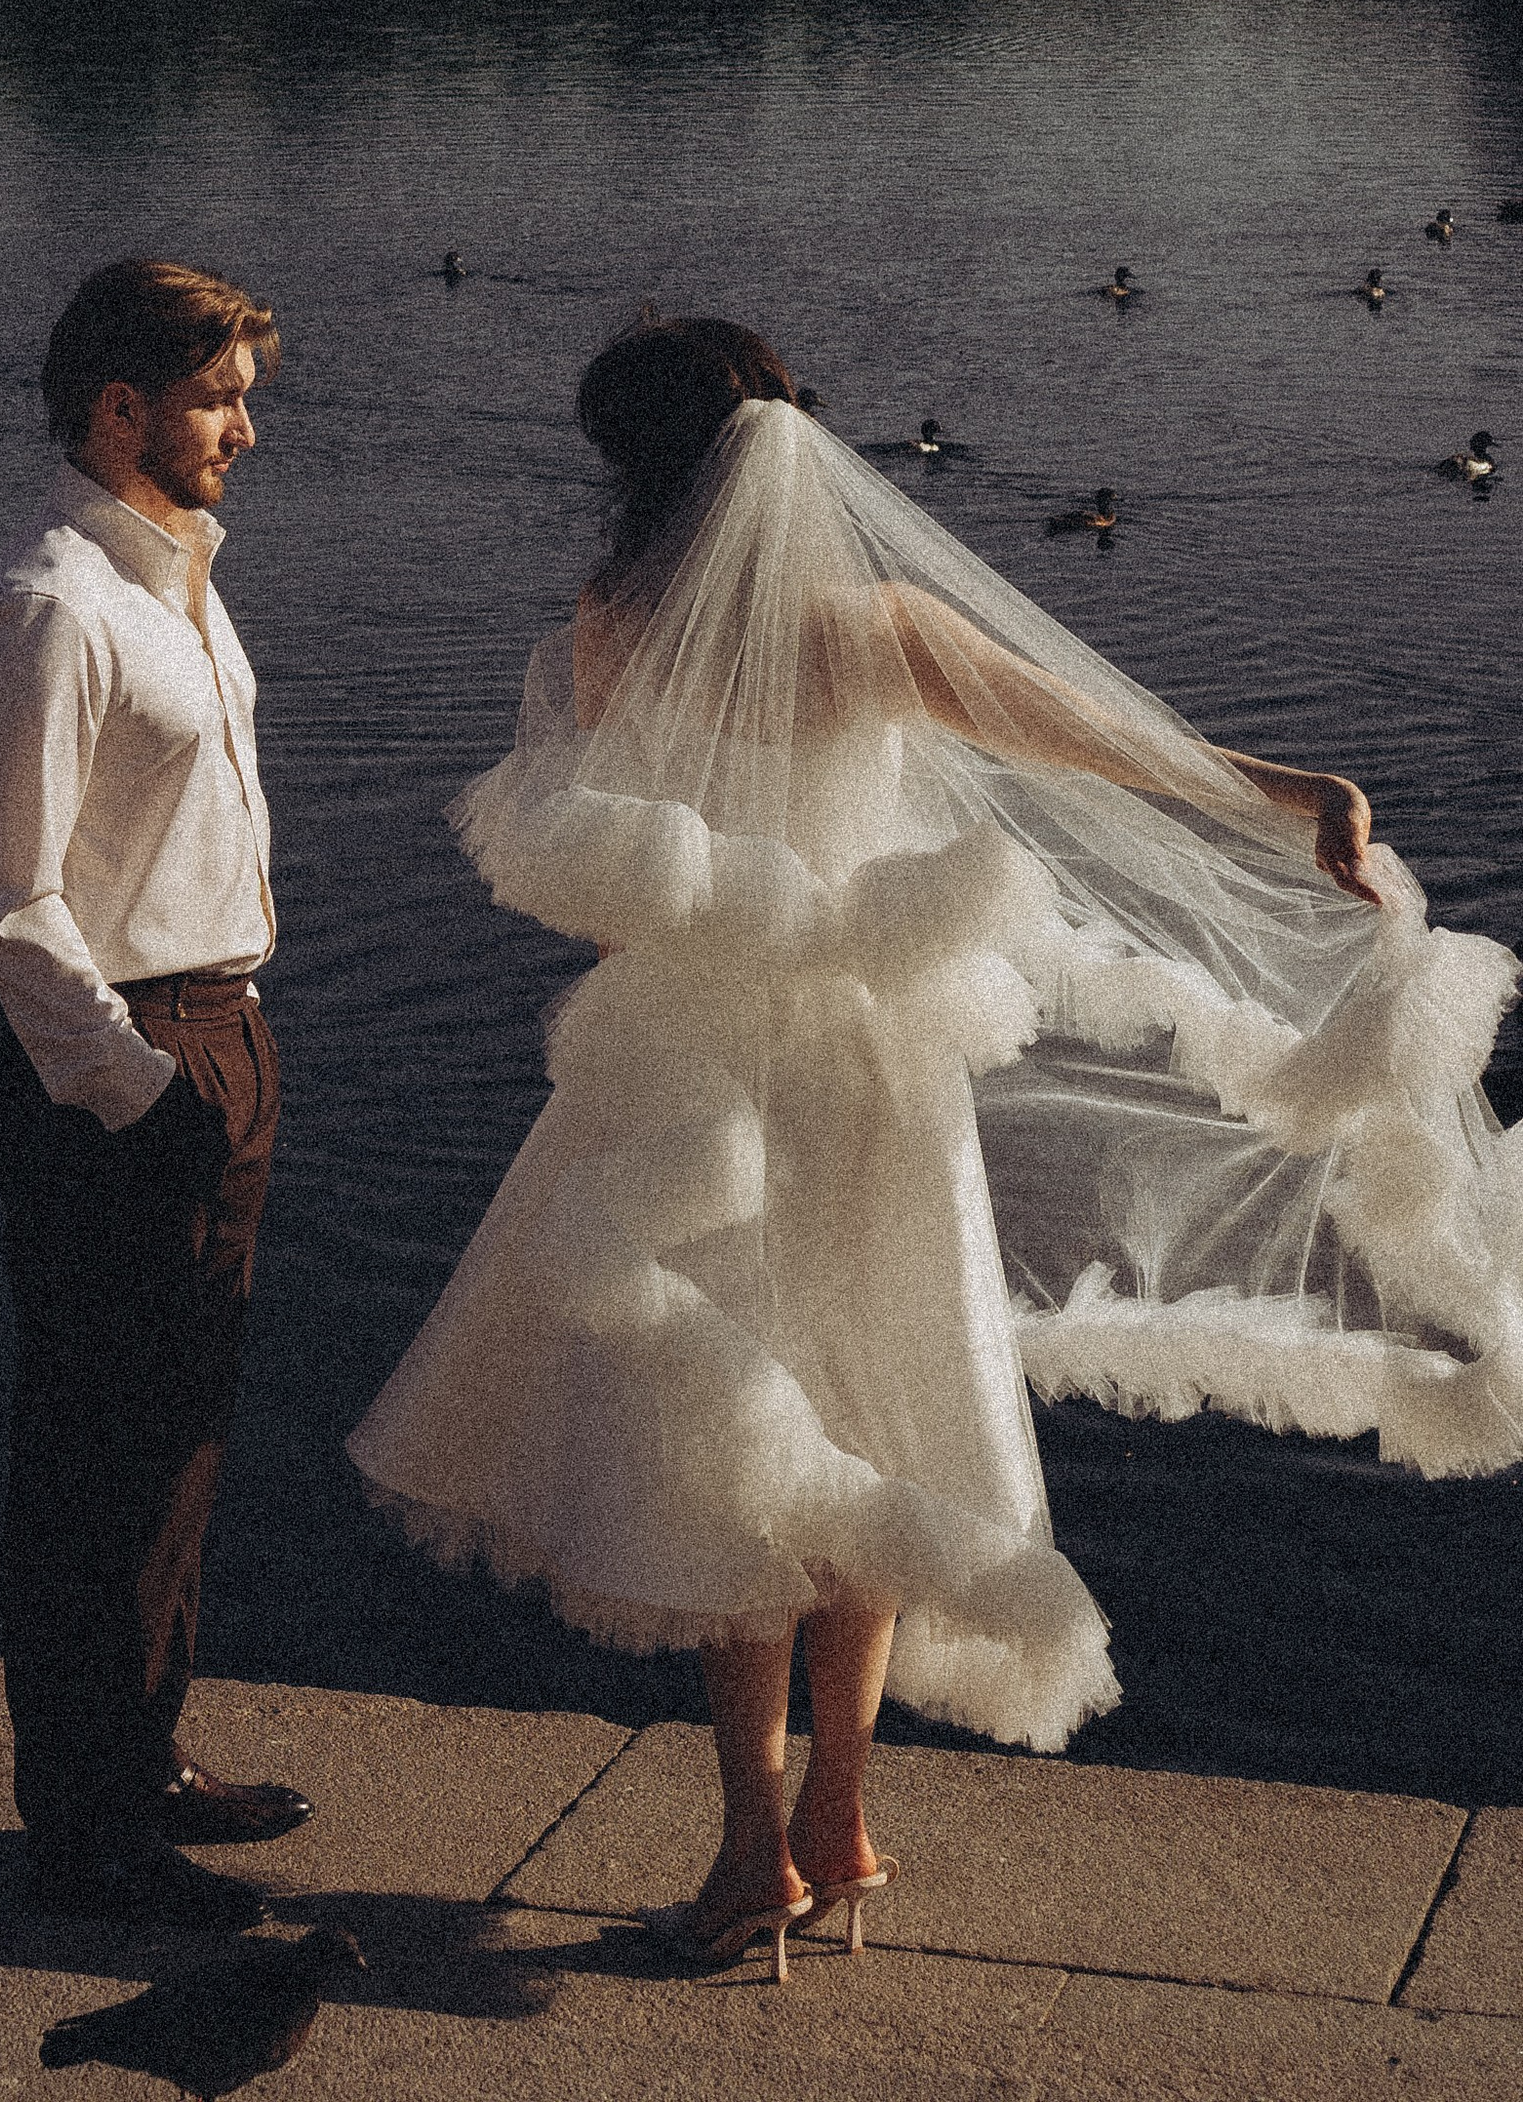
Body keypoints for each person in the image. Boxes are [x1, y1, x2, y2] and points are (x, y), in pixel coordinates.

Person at [350, 318, 1523, 1981]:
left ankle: (755, 1850)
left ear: (636, 476)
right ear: (783, 446)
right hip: (872, 1076)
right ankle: (837, 1817)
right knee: (881, 1402)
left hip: (682, 1084)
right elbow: (1102, 745)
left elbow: (607, 894)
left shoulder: (596, 646)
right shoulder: (867, 632)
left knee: (729, 1440)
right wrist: (1292, 791)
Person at [0, 256, 311, 1930]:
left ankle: (141, 1755)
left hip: (216, 1032)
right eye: (219, 393)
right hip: (121, 1061)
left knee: (180, 1439)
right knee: (95, 1448)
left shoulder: (178, 581)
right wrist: (139, 1087)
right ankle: (82, 1829)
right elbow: (12, 909)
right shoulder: (52, 609)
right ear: (121, 411)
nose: (247, 421)